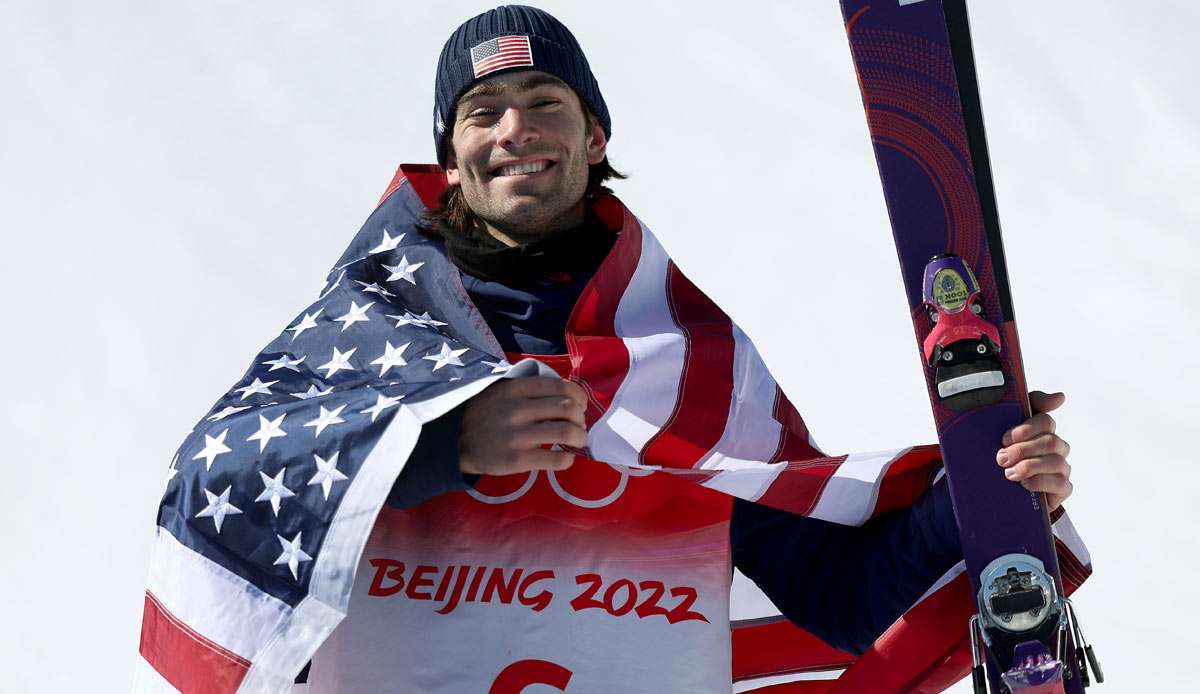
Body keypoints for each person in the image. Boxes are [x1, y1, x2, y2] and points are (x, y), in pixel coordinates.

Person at [292, 6, 1076, 692]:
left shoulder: (685, 364)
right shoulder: (373, 327)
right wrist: (443, 449)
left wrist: (983, 486)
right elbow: (220, 507)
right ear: (450, 157)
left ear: (594, 136)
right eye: (482, 110)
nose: (514, 130)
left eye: (544, 103)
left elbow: (841, 601)